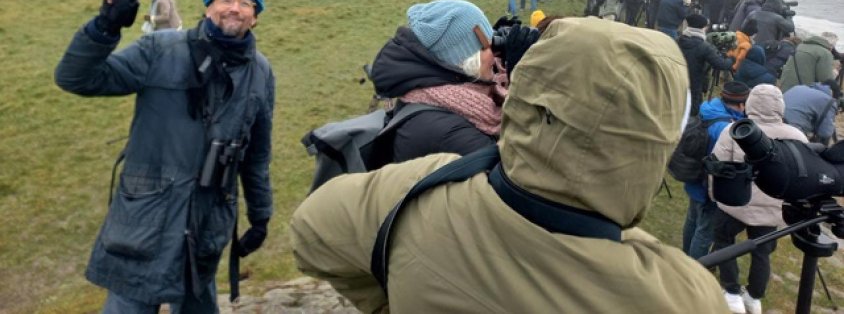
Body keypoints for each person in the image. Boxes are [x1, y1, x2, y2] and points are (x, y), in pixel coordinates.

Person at [291, 18, 728, 313]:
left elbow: (309, 230)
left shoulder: (423, 188)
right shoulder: (683, 294)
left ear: (526, 92)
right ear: (653, 146)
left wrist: (388, 297)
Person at [54, 0, 275, 312]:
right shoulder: (161, 49)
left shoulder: (260, 71)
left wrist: (261, 215)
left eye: (246, 4)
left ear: (255, 17)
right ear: (208, 7)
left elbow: (258, 153)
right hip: (146, 220)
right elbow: (76, 78)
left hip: (207, 223)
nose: (235, 8)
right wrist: (105, 26)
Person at [367, 0, 515, 162]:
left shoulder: (437, 97)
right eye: (488, 47)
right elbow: (516, 173)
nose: (495, 58)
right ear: (465, 58)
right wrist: (527, 78)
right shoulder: (446, 131)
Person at [711, 84, 808, 314]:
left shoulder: (734, 130)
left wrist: (715, 198)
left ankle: (733, 292)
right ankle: (754, 298)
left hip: (736, 203)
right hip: (769, 207)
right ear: (780, 106)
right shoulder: (797, 136)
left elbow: (716, 168)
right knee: (762, 252)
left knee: (724, 242)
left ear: (751, 102)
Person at [682, 81, 749, 260]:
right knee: (704, 232)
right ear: (741, 104)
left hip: (694, 176)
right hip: (708, 186)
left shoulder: (708, 109)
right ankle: (694, 269)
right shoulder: (725, 128)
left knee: (692, 220)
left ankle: (683, 258)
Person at [678, 14, 736, 115]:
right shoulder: (704, 47)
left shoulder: (679, 40)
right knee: (693, 111)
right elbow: (721, 64)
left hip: (678, 79)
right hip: (695, 83)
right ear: (703, 28)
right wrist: (731, 59)